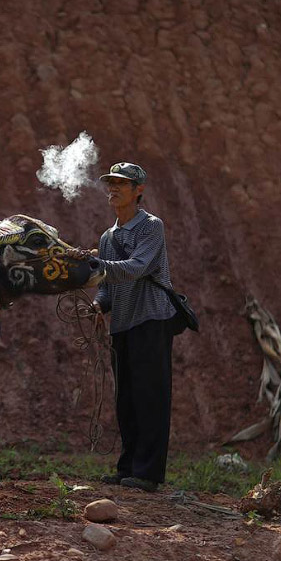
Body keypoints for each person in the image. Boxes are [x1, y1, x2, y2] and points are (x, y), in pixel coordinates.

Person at [92, 162, 177, 492]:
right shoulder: (107, 237)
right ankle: (128, 467)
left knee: (150, 396)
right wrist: (98, 304)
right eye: (110, 183)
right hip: (123, 325)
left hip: (151, 320)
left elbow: (135, 268)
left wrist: (92, 265)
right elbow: (107, 285)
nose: (113, 189)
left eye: (121, 184)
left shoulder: (151, 227)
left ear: (138, 190)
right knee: (126, 398)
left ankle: (148, 473)